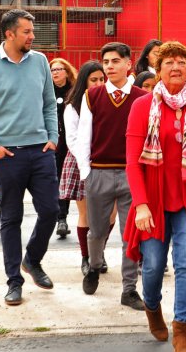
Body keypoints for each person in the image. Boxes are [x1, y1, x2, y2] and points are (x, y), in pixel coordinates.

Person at [124, 41, 186, 352]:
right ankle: (152, 307)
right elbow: (133, 161)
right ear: (158, 70)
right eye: (169, 63)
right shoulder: (141, 107)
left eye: (182, 62)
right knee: (151, 267)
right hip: (152, 200)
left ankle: (182, 329)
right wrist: (140, 205)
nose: (175, 67)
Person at [0, 9, 60, 306]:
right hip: (7, 155)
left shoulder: (41, 62)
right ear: (9, 34)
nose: (32, 36)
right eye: (27, 32)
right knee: (11, 219)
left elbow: (49, 103)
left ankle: (32, 259)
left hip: (41, 152)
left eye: (32, 31)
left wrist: (53, 137)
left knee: (50, 211)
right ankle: (14, 282)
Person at [74, 42, 148, 310]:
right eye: (105, 62)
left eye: (115, 61)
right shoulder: (92, 95)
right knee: (97, 231)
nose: (109, 66)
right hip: (99, 173)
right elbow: (84, 136)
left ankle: (129, 289)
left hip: (133, 175)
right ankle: (93, 266)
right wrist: (86, 172)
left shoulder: (142, 97)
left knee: (132, 235)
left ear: (129, 64)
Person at [63, 61, 107, 275]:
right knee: (86, 214)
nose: (99, 83)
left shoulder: (110, 100)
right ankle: (86, 257)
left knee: (110, 216)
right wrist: (87, 163)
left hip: (108, 163)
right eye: (94, 80)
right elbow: (72, 139)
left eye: (102, 79)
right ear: (84, 81)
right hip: (82, 162)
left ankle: (100, 253)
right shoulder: (74, 105)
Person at [50, 57, 77, 239]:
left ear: (67, 71)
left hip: (71, 142)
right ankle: (59, 217)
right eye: (52, 70)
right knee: (56, 179)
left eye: (59, 69)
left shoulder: (74, 92)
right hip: (52, 142)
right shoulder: (46, 91)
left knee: (66, 180)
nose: (56, 72)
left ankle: (64, 218)